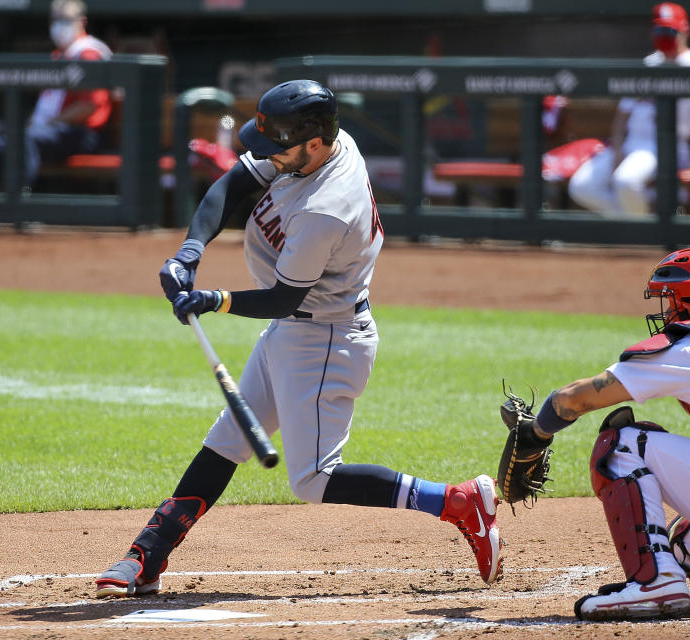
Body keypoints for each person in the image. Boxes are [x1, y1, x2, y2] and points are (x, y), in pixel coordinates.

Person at [93, 79, 503, 599]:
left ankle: (458, 501)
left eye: (276, 148)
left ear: (313, 143)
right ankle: (146, 556)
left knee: (312, 478)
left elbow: (285, 297)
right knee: (228, 441)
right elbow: (233, 185)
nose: (266, 156)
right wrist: (190, 251)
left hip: (326, 339)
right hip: (298, 329)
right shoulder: (315, 147)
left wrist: (214, 299)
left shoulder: (326, 207)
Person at [509, 248, 690, 621]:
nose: (666, 309)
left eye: (670, 298)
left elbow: (573, 399)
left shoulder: (683, 350)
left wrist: (535, 434)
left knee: (624, 444)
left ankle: (657, 582)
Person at [0, 0, 112, 191]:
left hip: (80, 134)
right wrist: (39, 123)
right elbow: (45, 107)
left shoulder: (88, 54)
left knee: (24, 141)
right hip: (48, 133)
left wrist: (51, 122)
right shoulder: (59, 56)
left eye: (66, 19)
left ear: (82, 22)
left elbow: (89, 106)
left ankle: (20, 206)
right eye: (56, 19)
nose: (59, 25)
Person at [568, 2, 690, 218]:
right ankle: (642, 231)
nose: (665, 35)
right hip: (632, 143)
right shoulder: (649, 64)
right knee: (581, 186)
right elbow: (623, 115)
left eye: (670, 29)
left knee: (626, 181)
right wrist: (617, 149)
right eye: (660, 29)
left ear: (684, 30)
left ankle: (639, 233)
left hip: (669, 145)